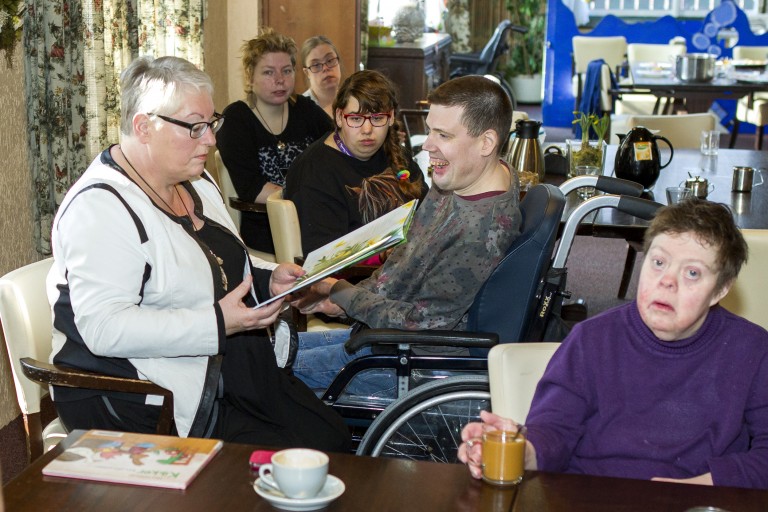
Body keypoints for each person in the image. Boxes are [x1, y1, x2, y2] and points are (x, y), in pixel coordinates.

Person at [47, 56, 350, 451]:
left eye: (211, 124)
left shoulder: (196, 181)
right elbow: (105, 329)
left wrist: (267, 277)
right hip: (143, 393)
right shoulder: (100, 208)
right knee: (302, 457)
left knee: (331, 438)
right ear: (144, 127)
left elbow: (217, 260)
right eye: (195, 127)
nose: (210, 140)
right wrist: (217, 322)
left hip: (220, 367)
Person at [459, 199, 768, 490]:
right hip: (592, 495)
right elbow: (553, 433)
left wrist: (697, 489)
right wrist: (517, 449)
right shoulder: (591, 341)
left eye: (692, 273)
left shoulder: (752, 351)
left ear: (719, 290)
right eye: (659, 262)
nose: (668, 281)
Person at [289, 75, 522, 396]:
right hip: (391, 334)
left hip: (418, 360)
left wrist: (343, 293)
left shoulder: (478, 231)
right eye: (430, 130)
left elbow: (419, 324)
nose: (427, 145)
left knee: (269, 373)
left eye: (443, 134)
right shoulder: (467, 177)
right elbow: (406, 258)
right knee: (269, 350)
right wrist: (346, 301)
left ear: (486, 142)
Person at [216, 27, 333, 254]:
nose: (280, 80)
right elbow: (252, 189)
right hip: (266, 227)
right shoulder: (235, 120)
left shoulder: (306, 110)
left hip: (317, 219)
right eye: (269, 72)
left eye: (287, 71)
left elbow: (339, 147)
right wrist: (312, 200)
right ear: (250, 77)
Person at [285, 69, 428, 254]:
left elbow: (427, 215)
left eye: (377, 118)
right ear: (338, 117)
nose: (367, 129)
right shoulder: (314, 171)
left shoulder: (393, 152)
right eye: (355, 118)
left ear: (391, 117)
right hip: (351, 278)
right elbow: (324, 259)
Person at [300, 35, 342, 118]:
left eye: (330, 60)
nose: (325, 68)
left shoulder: (351, 100)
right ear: (307, 73)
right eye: (316, 65)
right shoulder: (301, 109)